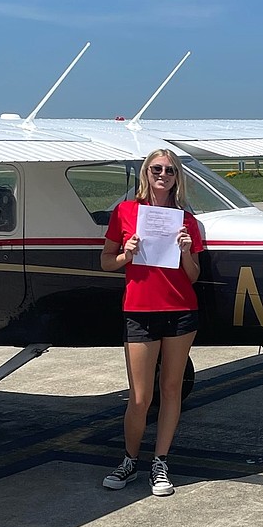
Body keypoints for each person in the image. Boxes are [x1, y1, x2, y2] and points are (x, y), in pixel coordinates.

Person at [100, 149, 204, 496]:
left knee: (171, 389)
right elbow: (106, 262)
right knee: (140, 396)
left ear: (177, 177)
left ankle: (160, 461)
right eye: (157, 169)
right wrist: (126, 254)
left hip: (180, 310)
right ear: (146, 172)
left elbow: (193, 276)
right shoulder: (125, 212)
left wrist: (186, 251)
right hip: (140, 311)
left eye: (170, 170)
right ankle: (130, 459)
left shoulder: (186, 220)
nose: (163, 175)